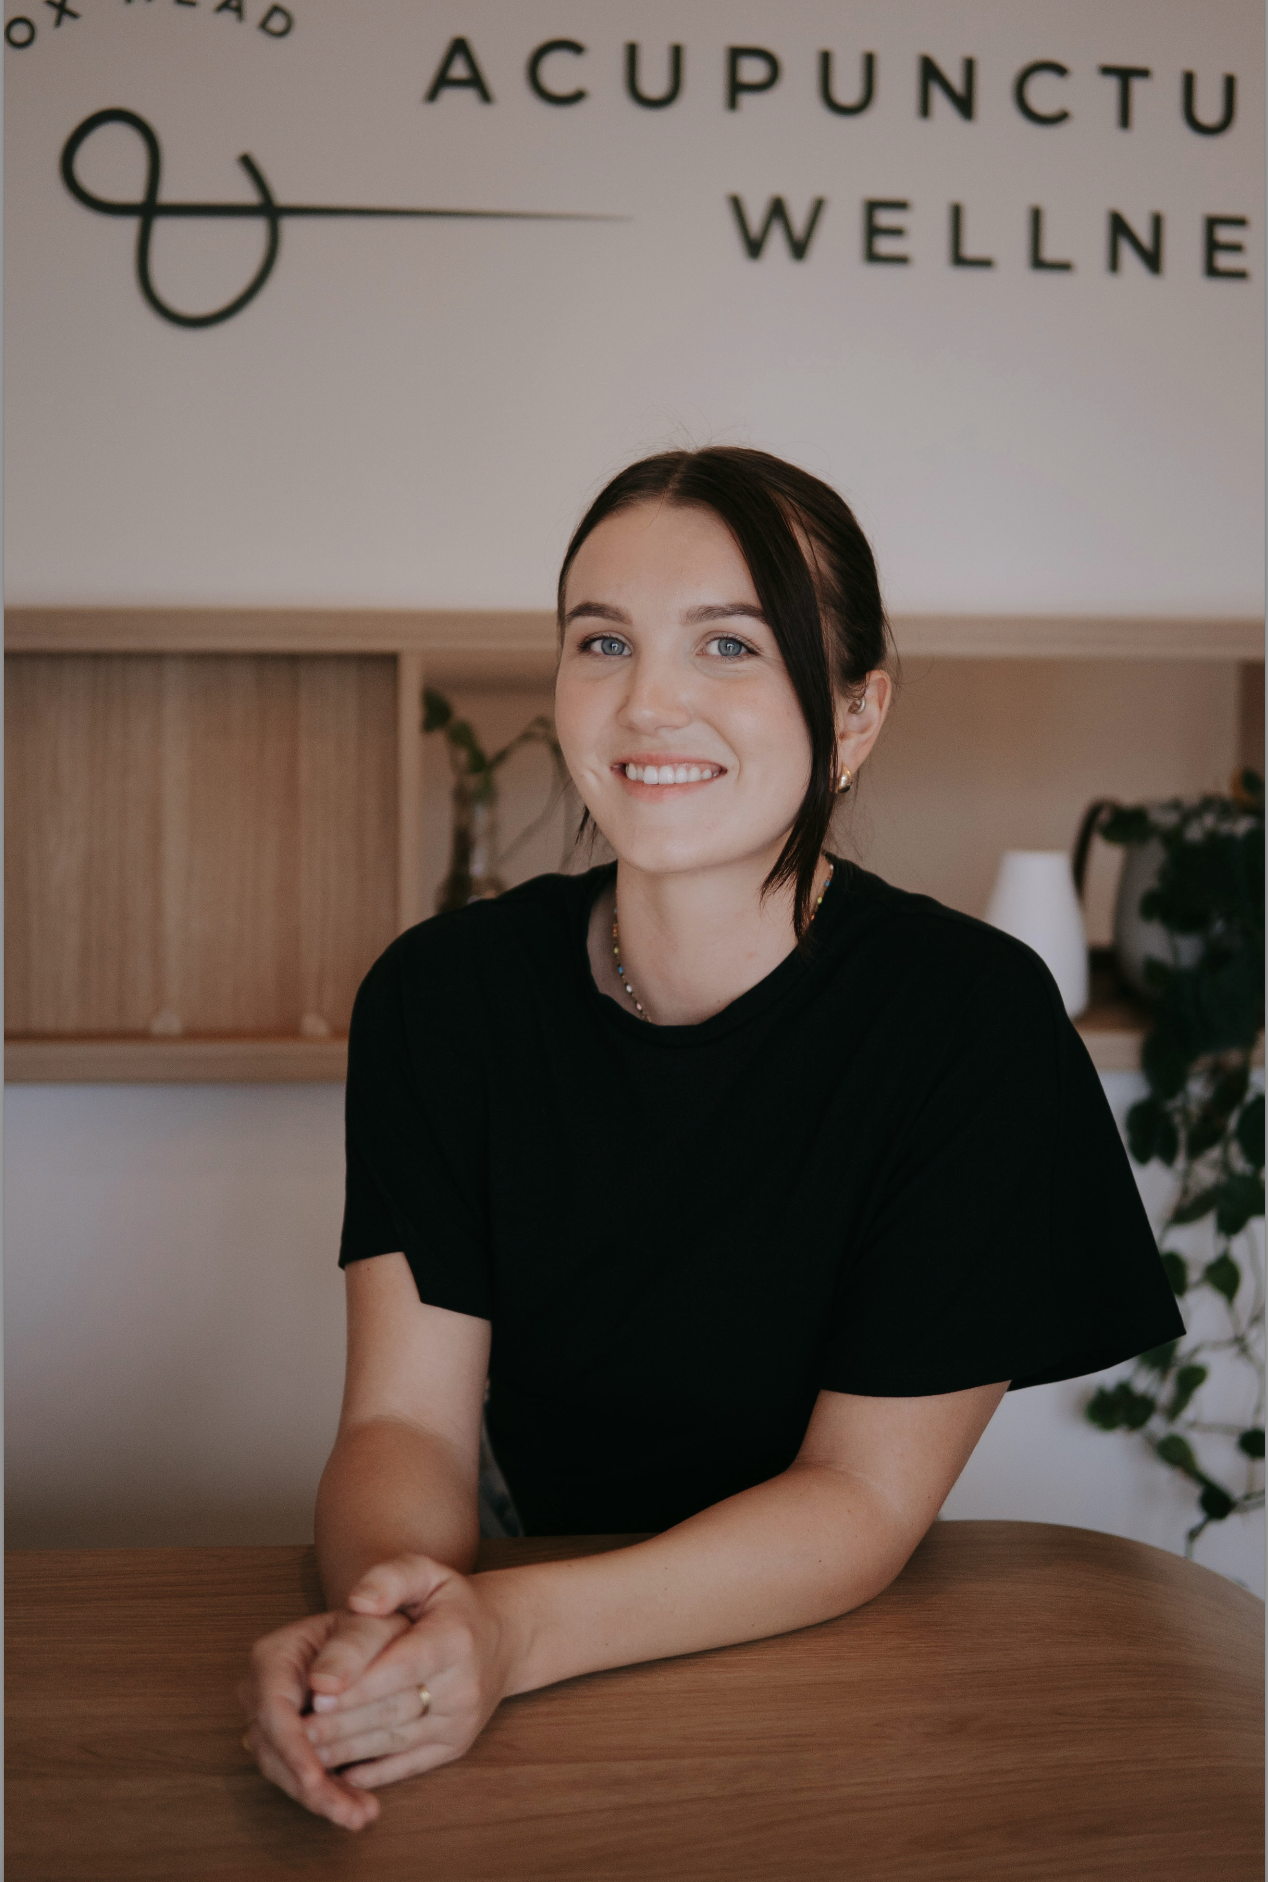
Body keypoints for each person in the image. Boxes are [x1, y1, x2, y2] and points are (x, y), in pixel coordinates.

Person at [241, 447, 1184, 1831]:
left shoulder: (967, 1020)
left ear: (857, 714)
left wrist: (508, 1631)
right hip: (514, 1653)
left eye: (729, 643)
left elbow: (859, 1500)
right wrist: (395, 1618)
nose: (648, 700)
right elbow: (401, 1421)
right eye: (602, 640)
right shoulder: (443, 997)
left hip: (827, 1660)